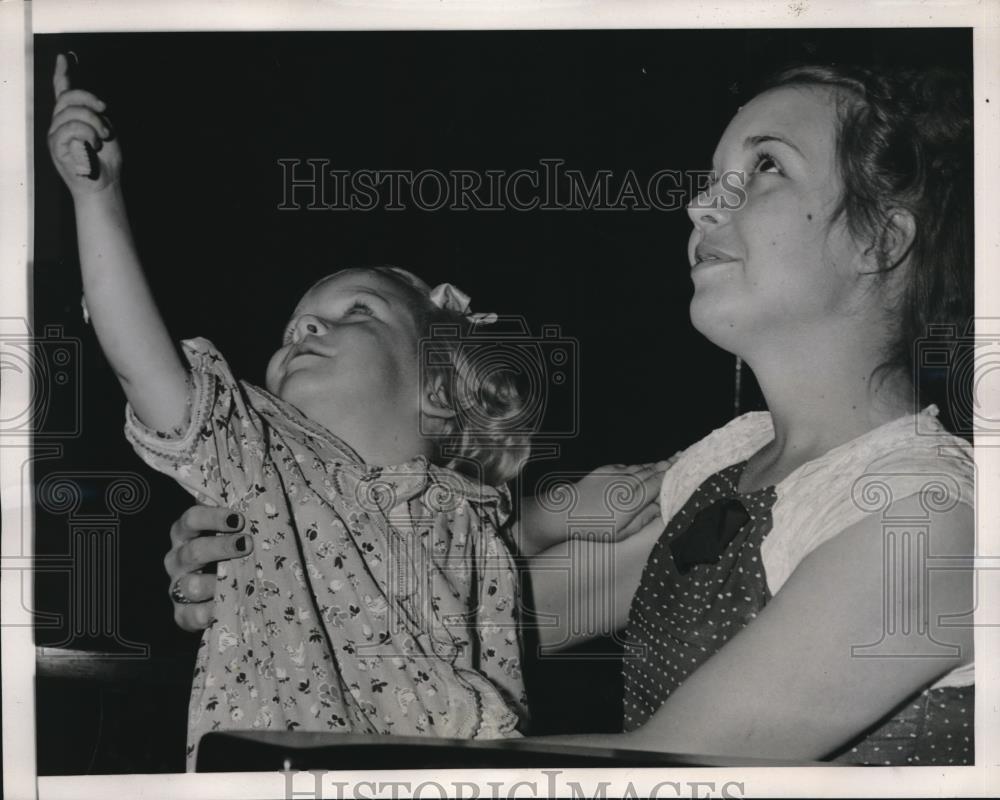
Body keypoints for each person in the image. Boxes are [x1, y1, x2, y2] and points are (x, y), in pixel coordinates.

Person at [165, 61, 975, 765]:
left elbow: (658, 772)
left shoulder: (929, 516)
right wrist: (291, 555)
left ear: (882, 241)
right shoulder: (736, 461)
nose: (699, 206)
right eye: (711, 174)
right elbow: (464, 616)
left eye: (765, 167)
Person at [46, 53, 668, 769]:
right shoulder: (264, 459)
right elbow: (141, 360)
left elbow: (545, 544)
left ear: (438, 390)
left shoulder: (464, 510)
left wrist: (636, 493)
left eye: (355, 313)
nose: (305, 329)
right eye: (294, 328)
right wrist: (98, 198)